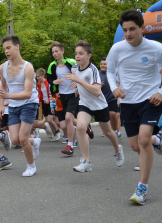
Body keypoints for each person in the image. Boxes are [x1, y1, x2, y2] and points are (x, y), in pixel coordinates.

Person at [106, 9, 162, 205]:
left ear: (143, 28)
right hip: (128, 103)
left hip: (151, 100)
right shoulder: (117, 49)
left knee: (143, 140)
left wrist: (161, 92)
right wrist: (114, 88)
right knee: (134, 145)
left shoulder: (157, 49)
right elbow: (111, 71)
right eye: (125, 30)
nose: (128, 34)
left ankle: (142, 188)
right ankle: (159, 139)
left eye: (132, 29)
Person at [64, 40, 124, 173]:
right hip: (85, 104)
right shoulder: (74, 69)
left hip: (99, 105)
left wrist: (79, 81)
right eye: (76, 54)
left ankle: (118, 150)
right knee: (80, 126)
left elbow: (97, 91)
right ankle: (86, 161)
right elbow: (80, 83)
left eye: (81, 53)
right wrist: (78, 87)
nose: (77, 56)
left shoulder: (93, 70)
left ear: (89, 55)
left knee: (108, 132)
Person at [0, 35, 41, 177]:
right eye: (4, 49)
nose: (6, 51)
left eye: (8, 48)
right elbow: (3, 87)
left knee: (22, 138)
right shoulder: (3, 67)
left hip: (29, 103)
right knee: (15, 140)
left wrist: (7, 96)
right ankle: (35, 141)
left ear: (17, 46)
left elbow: (28, 93)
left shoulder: (28, 68)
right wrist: (2, 105)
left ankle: (31, 166)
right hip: (14, 105)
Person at [47, 41, 93, 156]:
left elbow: (81, 73)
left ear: (62, 51)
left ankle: (70, 145)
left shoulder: (71, 62)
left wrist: (77, 84)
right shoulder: (52, 66)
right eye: (53, 52)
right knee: (63, 125)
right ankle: (85, 125)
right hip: (60, 95)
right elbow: (49, 79)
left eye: (57, 51)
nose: (55, 53)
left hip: (73, 94)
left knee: (68, 118)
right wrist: (54, 82)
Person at [99, 58, 122, 140]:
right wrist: (99, 86)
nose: (102, 65)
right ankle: (109, 130)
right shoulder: (97, 74)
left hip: (113, 97)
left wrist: (119, 98)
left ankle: (116, 130)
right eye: (101, 64)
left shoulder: (113, 74)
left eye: (104, 64)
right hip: (102, 99)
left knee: (113, 114)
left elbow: (119, 84)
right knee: (106, 116)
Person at [36, 68, 60, 141]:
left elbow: (52, 93)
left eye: (39, 76)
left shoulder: (48, 83)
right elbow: (40, 94)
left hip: (51, 102)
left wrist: (49, 100)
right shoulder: (39, 84)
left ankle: (57, 132)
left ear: (43, 75)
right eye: (37, 76)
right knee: (47, 119)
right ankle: (54, 134)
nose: (38, 78)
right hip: (44, 103)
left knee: (49, 120)